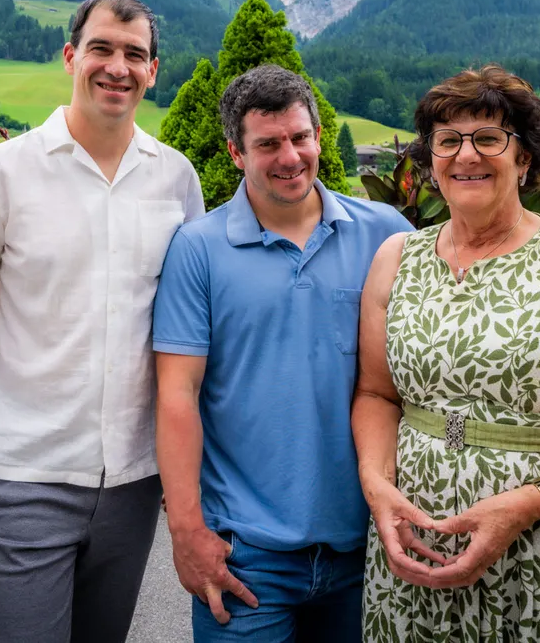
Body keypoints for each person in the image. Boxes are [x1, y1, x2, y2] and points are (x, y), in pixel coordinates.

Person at [0, 0, 205, 643]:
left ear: (153, 70)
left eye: (134, 55)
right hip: (22, 473)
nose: (118, 67)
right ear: (70, 56)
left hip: (133, 480)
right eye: (102, 49)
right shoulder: (0, 174)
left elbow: (188, 332)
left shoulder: (177, 179)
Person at [153, 64, 412, 643]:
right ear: (236, 153)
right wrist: (185, 530)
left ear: (319, 136)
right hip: (246, 557)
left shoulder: (388, 235)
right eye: (267, 143)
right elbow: (177, 394)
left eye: (300, 137)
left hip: (366, 546)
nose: (289, 156)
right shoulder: (197, 251)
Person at [353, 65, 540, 643]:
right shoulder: (397, 256)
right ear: (432, 161)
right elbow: (374, 393)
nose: (467, 154)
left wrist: (527, 505)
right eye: (448, 140)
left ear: (525, 159)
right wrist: (377, 487)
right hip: (412, 545)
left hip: (534, 549)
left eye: (489, 138)